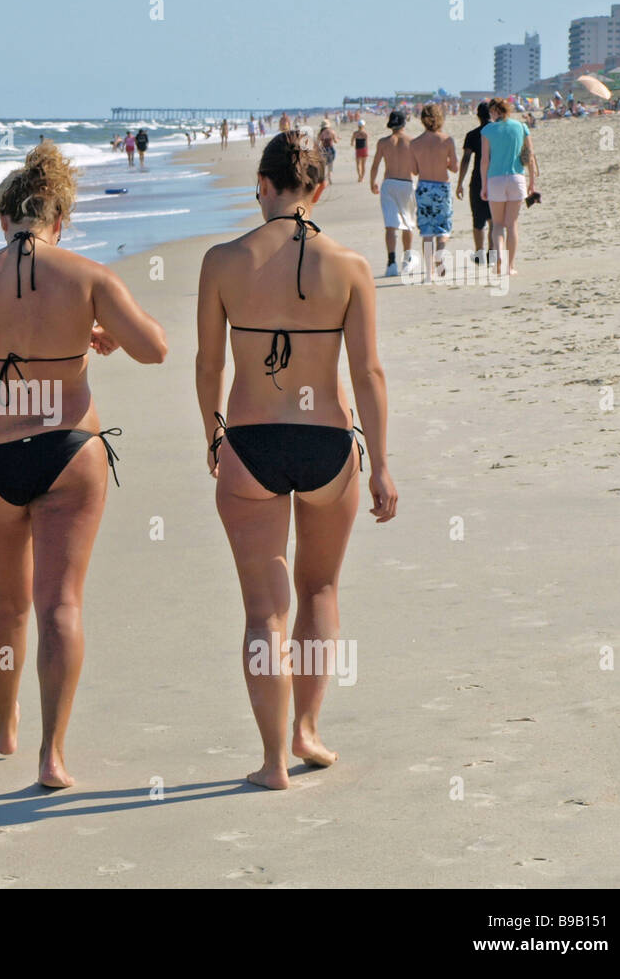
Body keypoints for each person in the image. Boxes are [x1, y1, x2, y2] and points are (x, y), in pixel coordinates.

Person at [0, 142, 167, 789]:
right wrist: (97, 331)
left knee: (6, 604)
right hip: (71, 452)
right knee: (61, 605)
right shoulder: (89, 278)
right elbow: (155, 349)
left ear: (3, 220)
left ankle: (5, 717)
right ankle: (53, 753)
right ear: (60, 221)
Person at [195, 130, 397, 791]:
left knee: (263, 610)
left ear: (263, 187)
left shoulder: (222, 261)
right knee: (319, 591)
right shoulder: (350, 266)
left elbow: (209, 363)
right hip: (328, 445)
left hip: (250, 441)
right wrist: (384, 463)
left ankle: (272, 761)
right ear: (320, 189)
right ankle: (307, 728)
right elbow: (367, 372)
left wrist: (212, 433)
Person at [480, 98, 536, 277]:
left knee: (497, 224)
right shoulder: (520, 126)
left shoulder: (487, 130)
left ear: (494, 111)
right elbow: (529, 155)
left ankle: (499, 262)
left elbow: (484, 160)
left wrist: (483, 184)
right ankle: (510, 266)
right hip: (516, 177)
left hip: (495, 178)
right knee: (512, 224)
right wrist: (532, 181)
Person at [410, 104, 458, 280]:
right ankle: (440, 252)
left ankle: (429, 272)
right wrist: (442, 162)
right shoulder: (447, 140)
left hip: (424, 187)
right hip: (441, 186)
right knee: (443, 226)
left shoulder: (414, 143)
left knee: (427, 231)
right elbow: (454, 167)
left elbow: (414, 170)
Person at [368, 110, 416, 276]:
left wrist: (372, 182)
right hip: (406, 183)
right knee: (408, 223)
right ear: (404, 123)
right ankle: (407, 260)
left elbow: (375, 165)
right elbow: (417, 167)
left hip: (388, 183)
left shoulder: (383, 142)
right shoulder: (411, 141)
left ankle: (391, 263)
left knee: (390, 225)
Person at [456, 100, 493, 273]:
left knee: (478, 218)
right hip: (496, 179)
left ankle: (479, 254)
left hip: (478, 180)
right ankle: (492, 254)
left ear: (478, 116)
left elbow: (466, 159)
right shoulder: (498, 133)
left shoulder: (472, 135)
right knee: (494, 219)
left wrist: (459, 183)